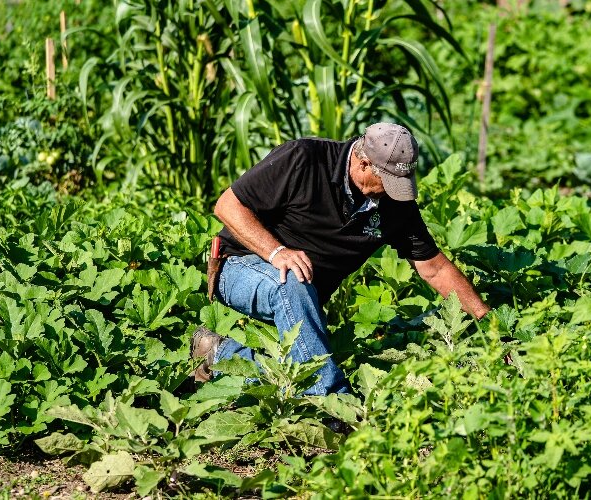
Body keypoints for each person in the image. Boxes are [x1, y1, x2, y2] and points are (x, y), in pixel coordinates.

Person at [191, 123, 490, 395]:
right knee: (291, 279)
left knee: (298, 366)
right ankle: (335, 405)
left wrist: (488, 324)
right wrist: (276, 252)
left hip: (304, 298)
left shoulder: (395, 205)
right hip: (240, 267)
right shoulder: (304, 158)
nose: (395, 193)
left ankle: (220, 356)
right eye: (389, 181)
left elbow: (435, 268)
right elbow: (227, 206)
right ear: (363, 164)